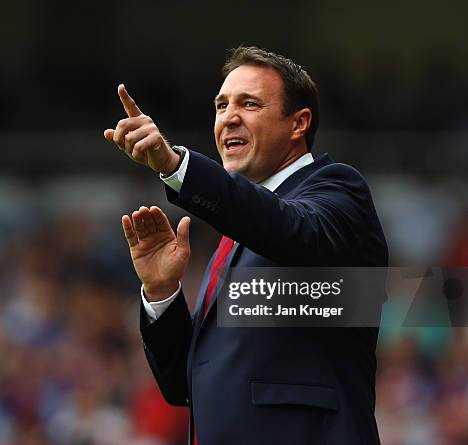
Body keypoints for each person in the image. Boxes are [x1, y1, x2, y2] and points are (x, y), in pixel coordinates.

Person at [104, 46, 388, 445]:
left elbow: (289, 230)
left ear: (298, 123)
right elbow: (184, 385)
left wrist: (175, 166)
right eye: (220, 106)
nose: (228, 118)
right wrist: (161, 292)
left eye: (249, 103)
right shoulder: (240, 234)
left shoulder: (338, 190)